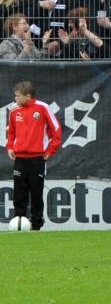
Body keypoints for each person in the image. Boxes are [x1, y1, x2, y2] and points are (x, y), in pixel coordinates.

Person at [6, 81, 62, 230]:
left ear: (28, 96)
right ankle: (19, 225)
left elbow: (56, 130)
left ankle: (36, 226)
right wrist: (10, 147)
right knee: (19, 194)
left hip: (37, 159)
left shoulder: (43, 108)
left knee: (36, 194)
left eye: (17, 96)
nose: (15, 98)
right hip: (19, 159)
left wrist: (50, 151)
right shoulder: (14, 110)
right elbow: (11, 131)